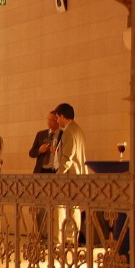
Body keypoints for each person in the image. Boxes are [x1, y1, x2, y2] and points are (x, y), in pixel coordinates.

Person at [54, 103, 86, 247]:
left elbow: (67, 157)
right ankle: (71, 239)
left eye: (57, 117)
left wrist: (58, 176)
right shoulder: (78, 130)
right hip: (78, 176)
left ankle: (61, 240)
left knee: (60, 207)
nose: (56, 121)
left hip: (69, 177)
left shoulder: (69, 131)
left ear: (62, 116)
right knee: (74, 208)